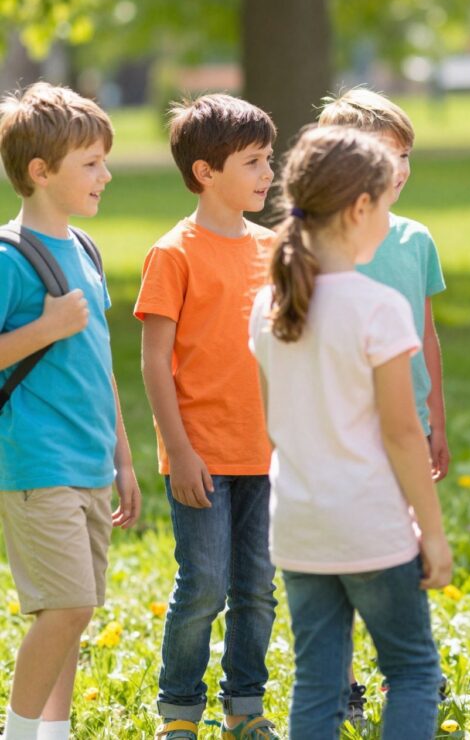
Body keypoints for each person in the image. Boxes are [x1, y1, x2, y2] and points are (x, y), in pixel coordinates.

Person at [249, 125, 452, 739]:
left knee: (317, 682)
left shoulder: (269, 306)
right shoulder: (377, 307)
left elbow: (273, 423)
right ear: (361, 207)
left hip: (298, 527)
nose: (390, 223)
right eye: (386, 207)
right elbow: (400, 433)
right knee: (413, 671)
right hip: (371, 526)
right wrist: (433, 531)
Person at [135, 95, 280, 740]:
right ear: (205, 172)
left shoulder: (275, 248)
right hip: (201, 456)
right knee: (205, 586)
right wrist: (179, 450)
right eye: (253, 162)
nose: (268, 173)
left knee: (257, 589)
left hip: (268, 455)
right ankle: (179, 712)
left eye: (269, 160)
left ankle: (245, 707)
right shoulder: (173, 253)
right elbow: (154, 364)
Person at [0, 83, 141, 740]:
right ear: (40, 171)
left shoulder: (85, 250)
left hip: (91, 460)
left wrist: (123, 455)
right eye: (90, 164)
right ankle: (21, 733)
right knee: (68, 604)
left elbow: (99, 360)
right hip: (35, 459)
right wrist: (46, 326)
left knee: (75, 612)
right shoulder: (7, 258)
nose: (105, 175)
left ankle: (53, 734)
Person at [317, 87, 450, 724]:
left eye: (405, 154)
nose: (397, 167)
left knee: (407, 544)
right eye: (382, 154)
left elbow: (427, 335)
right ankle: (340, 679)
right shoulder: (315, 251)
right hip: (341, 428)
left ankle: (409, 669)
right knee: (340, 555)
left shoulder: (416, 240)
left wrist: (438, 421)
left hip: (407, 422)